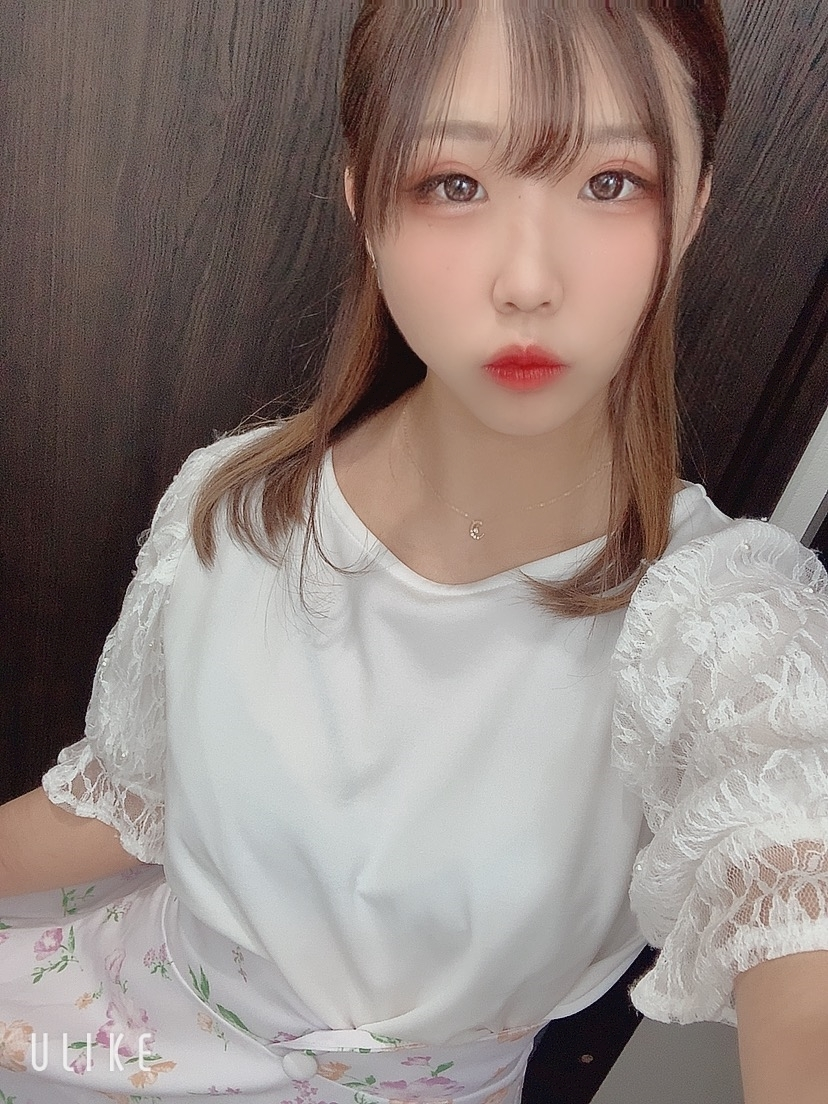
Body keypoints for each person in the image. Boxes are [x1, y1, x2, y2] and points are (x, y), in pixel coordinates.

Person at [1, 3, 826, 1102]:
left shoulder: (730, 631)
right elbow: (118, 805)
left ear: (695, 208)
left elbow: (798, 914)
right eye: (455, 183)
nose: (527, 280)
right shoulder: (228, 511)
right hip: (109, 1046)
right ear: (365, 201)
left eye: (610, 182)